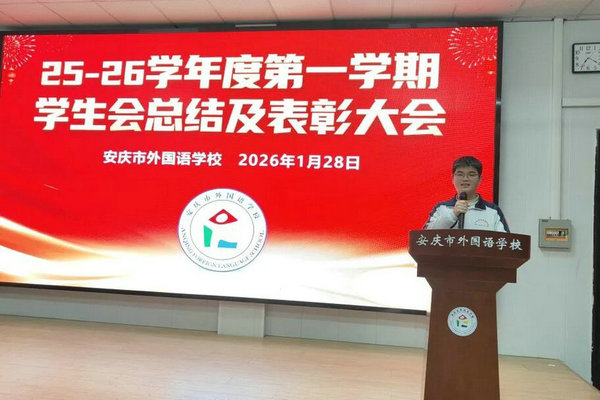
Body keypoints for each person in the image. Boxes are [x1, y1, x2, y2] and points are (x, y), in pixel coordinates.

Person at [423, 156, 509, 232]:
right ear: (452, 178)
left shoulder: (493, 211)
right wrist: (453, 214)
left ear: (480, 179)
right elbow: (425, 237)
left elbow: (505, 241)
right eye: (460, 174)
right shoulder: (441, 208)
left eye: (471, 175)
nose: (465, 179)